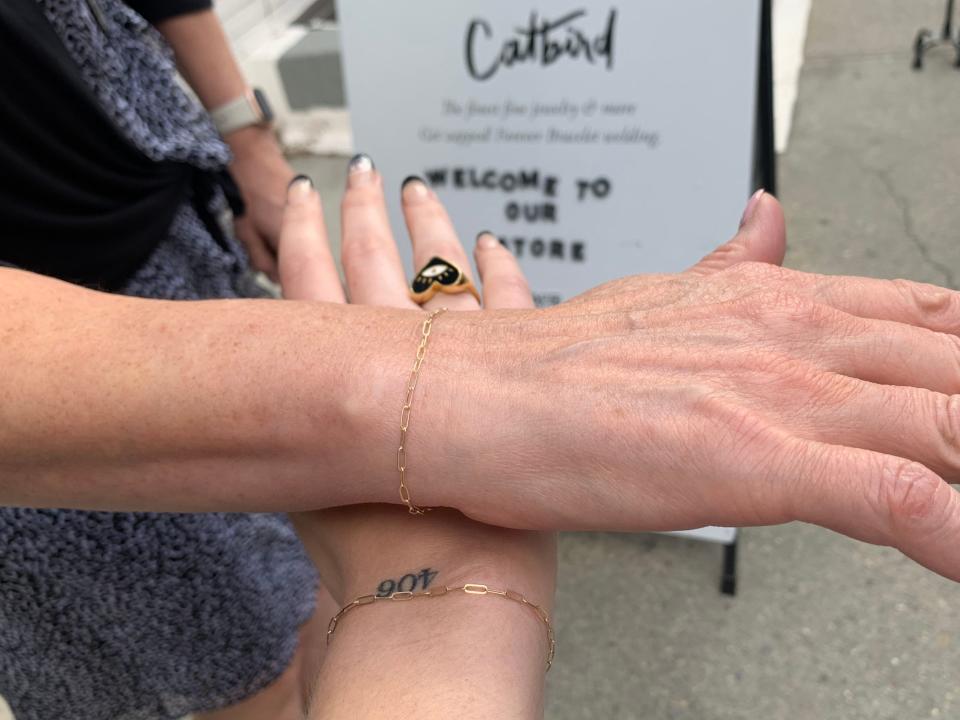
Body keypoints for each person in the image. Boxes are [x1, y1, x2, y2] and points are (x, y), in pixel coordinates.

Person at [0, 1, 322, 717]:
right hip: (38, 360)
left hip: (147, 182)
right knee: (234, 674)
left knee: (307, 586)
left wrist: (249, 137)